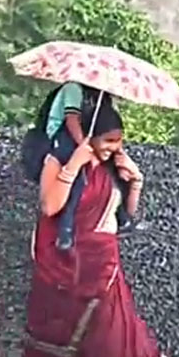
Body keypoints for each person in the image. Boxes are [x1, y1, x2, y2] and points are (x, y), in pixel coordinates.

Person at [18, 103, 168, 357]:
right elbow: (50, 208)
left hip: (103, 266)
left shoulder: (112, 166)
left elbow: (123, 215)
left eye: (120, 141)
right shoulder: (58, 158)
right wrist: (75, 163)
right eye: (110, 141)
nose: (116, 148)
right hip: (65, 265)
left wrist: (135, 182)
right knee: (61, 338)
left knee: (103, 341)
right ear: (90, 136)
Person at [42, 81, 132, 250]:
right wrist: (84, 146)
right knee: (79, 176)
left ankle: (121, 214)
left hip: (87, 133)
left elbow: (108, 121)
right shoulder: (73, 89)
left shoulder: (101, 94)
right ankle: (66, 228)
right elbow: (71, 119)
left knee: (113, 168)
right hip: (62, 135)